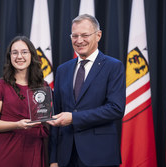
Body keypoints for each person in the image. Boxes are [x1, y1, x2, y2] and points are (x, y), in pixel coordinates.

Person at [47, 14, 126, 167]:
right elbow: (57, 113)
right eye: (74, 36)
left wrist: (74, 118)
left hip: (99, 156)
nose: (79, 40)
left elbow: (115, 109)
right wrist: (53, 158)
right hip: (66, 157)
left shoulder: (113, 67)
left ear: (98, 35)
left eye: (84, 35)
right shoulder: (63, 70)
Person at [0, 36, 49, 167]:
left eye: (24, 52)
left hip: (35, 149)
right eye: (15, 52)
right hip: (7, 152)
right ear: (10, 57)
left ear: (32, 55)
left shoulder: (43, 86)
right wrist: (17, 124)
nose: (19, 56)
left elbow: (44, 120)